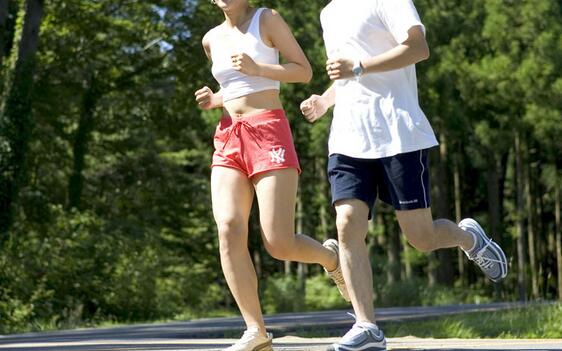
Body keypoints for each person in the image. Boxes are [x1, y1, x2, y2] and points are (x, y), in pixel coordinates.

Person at [300, 0, 508, 350]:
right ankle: (367, 326)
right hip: (349, 138)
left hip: (398, 133)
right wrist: (324, 99)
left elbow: (418, 48)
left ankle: (468, 238)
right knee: (347, 222)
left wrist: (360, 67)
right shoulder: (329, 12)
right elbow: (349, 77)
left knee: (421, 238)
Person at [194, 1, 349, 350]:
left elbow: (303, 71)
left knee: (278, 242)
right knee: (228, 227)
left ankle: (331, 258)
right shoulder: (211, 39)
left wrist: (258, 67)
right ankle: (256, 331)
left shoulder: (267, 19)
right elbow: (235, 89)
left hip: (268, 131)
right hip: (229, 135)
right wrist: (214, 99)